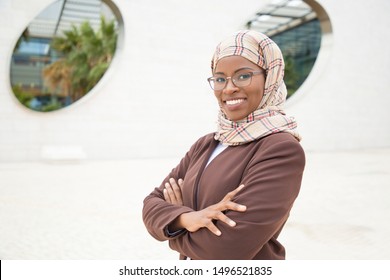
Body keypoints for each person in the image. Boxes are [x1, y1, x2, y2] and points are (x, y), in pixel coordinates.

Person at [142, 30, 305, 260]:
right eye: (220, 79)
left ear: (270, 78)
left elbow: (226, 250)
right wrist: (187, 219)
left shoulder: (280, 149)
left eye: (243, 76)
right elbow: (150, 204)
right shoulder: (207, 143)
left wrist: (173, 230)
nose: (229, 88)